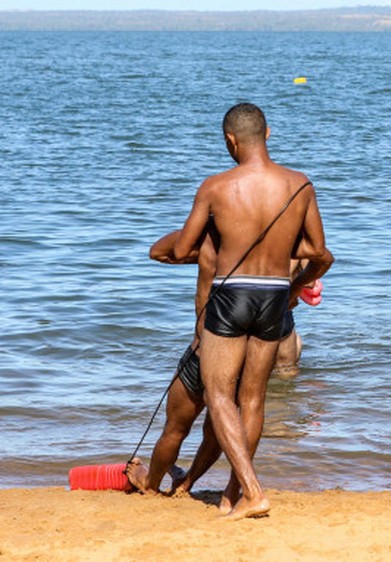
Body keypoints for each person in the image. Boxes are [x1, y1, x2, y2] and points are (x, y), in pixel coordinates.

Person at [163, 103, 333, 520]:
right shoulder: (300, 184)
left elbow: (183, 249)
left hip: (231, 293)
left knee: (220, 394)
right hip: (275, 294)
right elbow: (320, 253)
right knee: (253, 397)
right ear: (268, 134)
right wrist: (293, 287)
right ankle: (231, 494)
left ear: (230, 140)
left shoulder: (216, 186)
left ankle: (254, 493)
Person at [125, 230, 309, 497]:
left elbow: (158, 251)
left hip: (204, 351)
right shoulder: (280, 249)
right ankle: (187, 482)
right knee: (216, 435)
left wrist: (201, 235)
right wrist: (295, 287)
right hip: (245, 357)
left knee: (175, 429)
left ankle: (151, 484)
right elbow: (321, 257)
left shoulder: (212, 245)